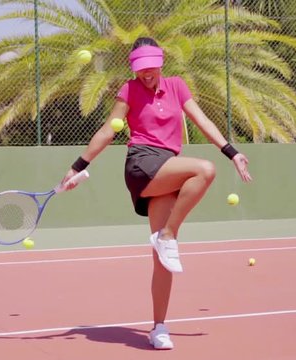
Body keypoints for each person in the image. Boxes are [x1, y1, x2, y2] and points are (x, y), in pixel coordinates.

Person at [62, 37, 252, 350]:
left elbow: (201, 119)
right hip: (141, 162)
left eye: (150, 68)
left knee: (162, 261)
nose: (146, 74)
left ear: (160, 63)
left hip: (168, 165)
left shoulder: (177, 86)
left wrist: (232, 152)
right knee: (204, 170)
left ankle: (159, 327)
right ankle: (168, 234)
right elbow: (110, 129)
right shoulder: (129, 90)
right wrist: (78, 165)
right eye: (140, 69)